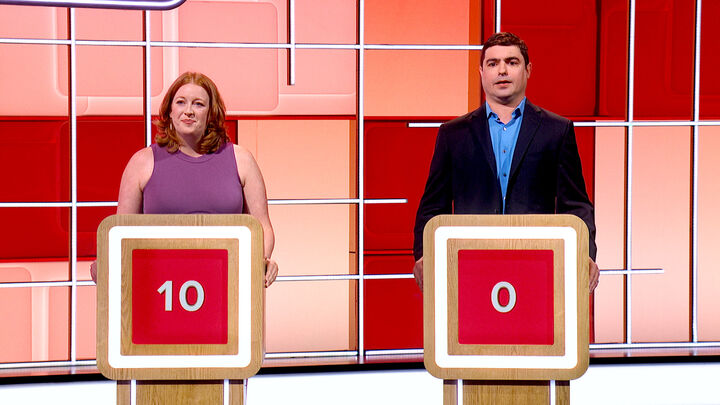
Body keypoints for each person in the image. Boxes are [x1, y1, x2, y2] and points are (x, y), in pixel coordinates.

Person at [412, 32, 599, 293]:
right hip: (469, 267)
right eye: (493, 63)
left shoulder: (557, 130)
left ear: (528, 70)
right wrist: (425, 253)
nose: (502, 70)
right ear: (481, 72)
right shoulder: (453, 134)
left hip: (537, 266)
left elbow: (576, 204)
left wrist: (585, 253)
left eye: (512, 62)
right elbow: (433, 206)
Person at [91, 72, 278, 287]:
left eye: (198, 104)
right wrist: (106, 261)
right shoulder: (141, 162)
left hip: (228, 282)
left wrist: (262, 261)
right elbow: (121, 231)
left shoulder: (241, 159)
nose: (188, 110)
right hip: (158, 285)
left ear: (211, 113)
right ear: (170, 111)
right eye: (181, 102)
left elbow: (262, 227)